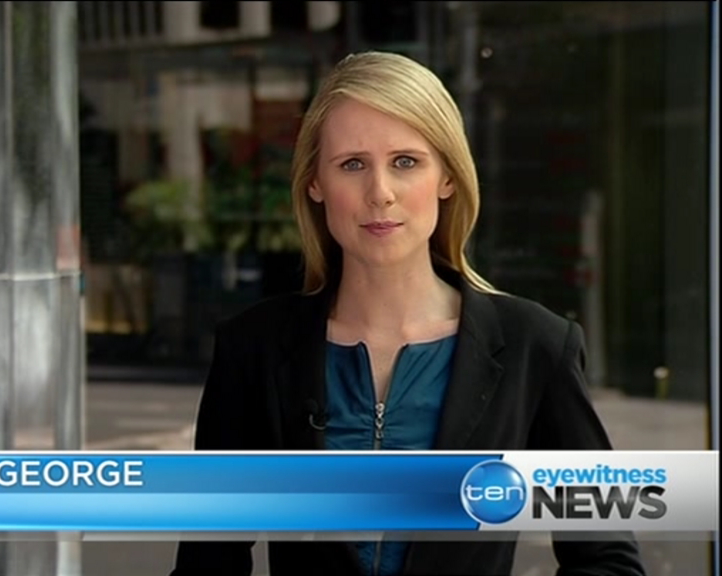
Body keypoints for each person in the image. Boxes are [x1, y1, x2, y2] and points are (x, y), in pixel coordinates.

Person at [170, 52, 646, 576]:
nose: (380, 193)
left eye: (405, 162)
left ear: (447, 177)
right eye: (352, 164)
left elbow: (607, 561)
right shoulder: (253, 349)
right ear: (315, 183)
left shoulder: (535, 345)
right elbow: (207, 564)